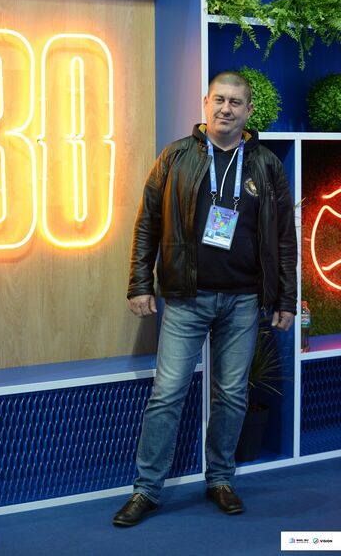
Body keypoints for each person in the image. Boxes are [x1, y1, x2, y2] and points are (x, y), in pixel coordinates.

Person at [113, 71, 297, 527]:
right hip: (185, 297)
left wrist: (286, 298)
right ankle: (146, 490)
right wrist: (139, 282)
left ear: (248, 111)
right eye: (219, 100)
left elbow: (283, 237)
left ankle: (219, 480)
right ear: (205, 102)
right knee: (167, 393)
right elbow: (147, 222)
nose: (225, 109)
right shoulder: (175, 156)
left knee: (232, 395)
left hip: (243, 300)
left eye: (235, 102)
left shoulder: (266, 165)